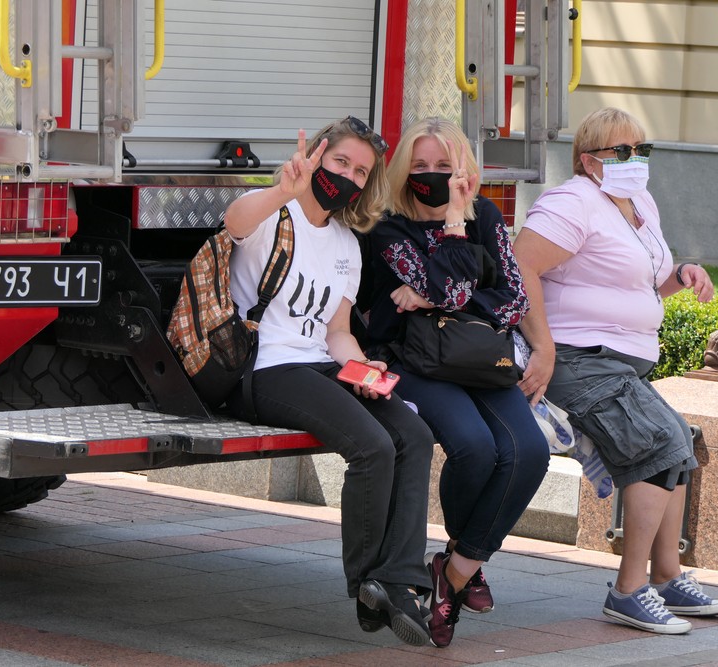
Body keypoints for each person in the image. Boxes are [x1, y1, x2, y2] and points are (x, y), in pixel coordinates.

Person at [513, 107, 718, 635]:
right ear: (590, 161)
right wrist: (542, 347)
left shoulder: (638, 204)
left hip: (617, 362)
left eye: (642, 149)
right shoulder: (574, 203)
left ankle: (666, 575)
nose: (636, 161)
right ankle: (628, 591)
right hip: (576, 358)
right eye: (623, 151)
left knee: (680, 440)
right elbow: (519, 264)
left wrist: (681, 275)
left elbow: (642, 283)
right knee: (657, 443)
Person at [222, 117, 435, 647]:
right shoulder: (276, 214)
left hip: (319, 363)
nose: (349, 177)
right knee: (371, 446)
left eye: (361, 172)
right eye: (341, 162)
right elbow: (234, 223)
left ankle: (398, 581)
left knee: (413, 434)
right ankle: (368, 582)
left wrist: (364, 370)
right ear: (317, 155)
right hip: (265, 367)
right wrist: (281, 189)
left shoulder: (346, 243)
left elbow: (336, 332)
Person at [366, 117, 550, 647]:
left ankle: (454, 569)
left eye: (443, 167)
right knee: (473, 447)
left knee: (529, 451)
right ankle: (464, 569)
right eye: (420, 166)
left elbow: (513, 297)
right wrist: (450, 229)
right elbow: (449, 286)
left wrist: (430, 294)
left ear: (464, 169)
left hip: (476, 359)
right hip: (411, 359)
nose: (430, 176)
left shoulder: (487, 215)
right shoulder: (390, 228)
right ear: (403, 172)